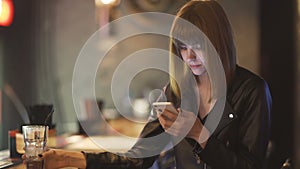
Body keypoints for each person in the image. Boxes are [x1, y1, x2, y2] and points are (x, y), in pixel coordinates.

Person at [28, 0, 272, 168]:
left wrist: (199, 134)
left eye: (197, 46)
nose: (189, 57)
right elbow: (137, 159)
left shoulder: (252, 91)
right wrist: (70, 159)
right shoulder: (177, 92)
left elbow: (251, 166)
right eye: (182, 48)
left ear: (219, 41)